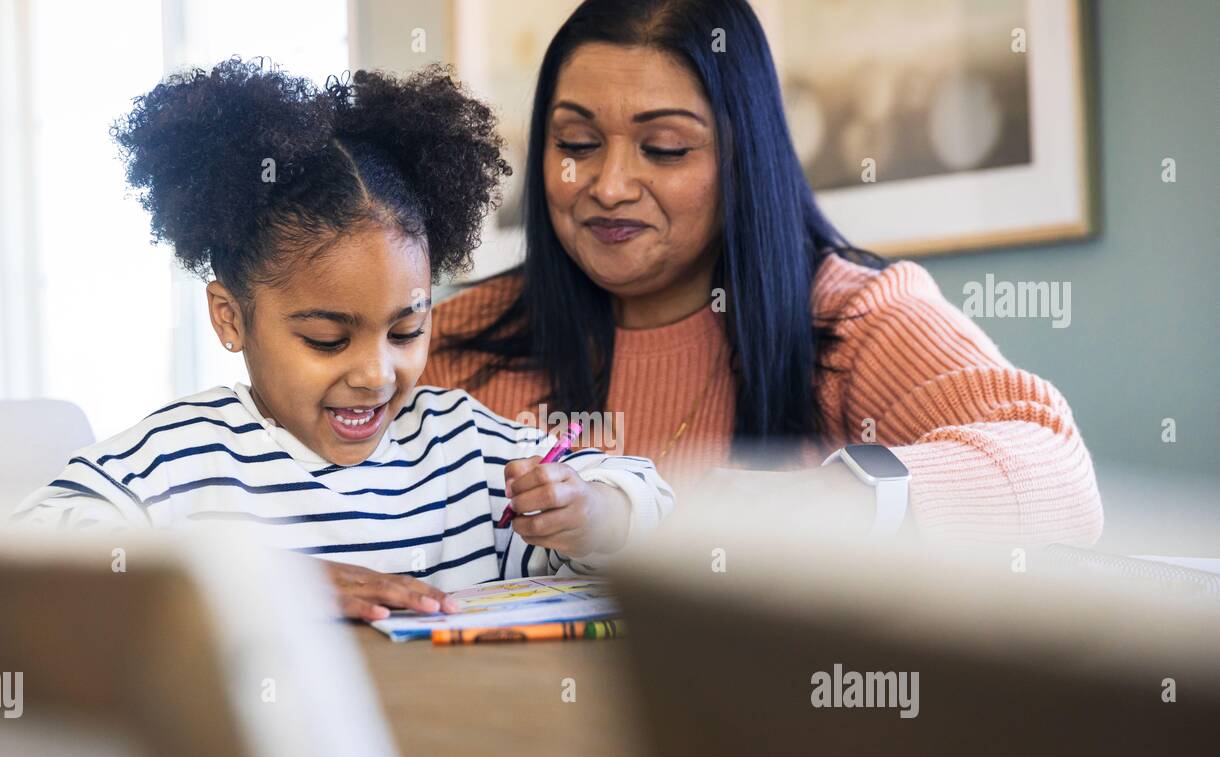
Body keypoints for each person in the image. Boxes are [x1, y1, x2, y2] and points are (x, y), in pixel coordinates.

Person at [12, 58, 675, 620]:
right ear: (229, 317)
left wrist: (590, 512)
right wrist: (260, 586)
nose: (375, 373)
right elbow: (28, 558)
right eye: (329, 338)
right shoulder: (182, 461)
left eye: (407, 329)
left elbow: (652, 503)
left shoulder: (458, 447)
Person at [422, 0, 1103, 544]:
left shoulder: (855, 316)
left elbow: (1059, 478)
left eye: (664, 148)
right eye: (576, 144)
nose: (609, 184)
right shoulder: (442, 344)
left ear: (745, 156)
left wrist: (815, 505)